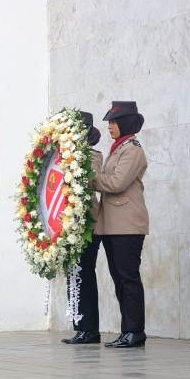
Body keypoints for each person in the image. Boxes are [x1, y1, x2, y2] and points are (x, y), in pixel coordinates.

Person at [94, 101, 149, 348]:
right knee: (119, 279)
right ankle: (127, 330)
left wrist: (89, 178)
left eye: (114, 122)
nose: (109, 127)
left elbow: (116, 183)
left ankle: (135, 331)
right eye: (109, 123)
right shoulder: (118, 149)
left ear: (126, 123)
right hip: (113, 227)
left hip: (127, 226)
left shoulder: (132, 150)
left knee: (128, 279)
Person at [62, 111, 104, 344]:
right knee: (73, 275)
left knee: (85, 275)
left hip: (87, 225)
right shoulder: (63, 156)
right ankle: (80, 326)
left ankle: (90, 329)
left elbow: (90, 180)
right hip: (68, 226)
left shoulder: (93, 155)